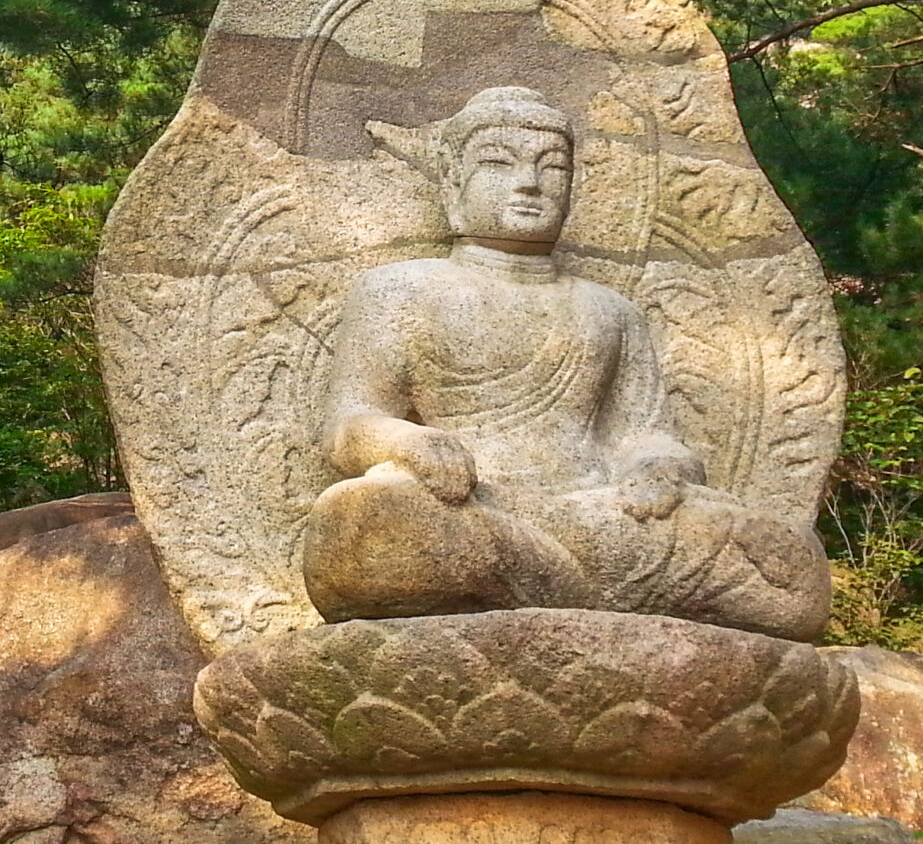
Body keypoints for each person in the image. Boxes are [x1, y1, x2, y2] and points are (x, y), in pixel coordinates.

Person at [299, 86, 829, 640]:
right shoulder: (401, 289)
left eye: (552, 168)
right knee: (366, 519)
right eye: (499, 165)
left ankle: (540, 584)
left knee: (792, 571)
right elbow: (348, 427)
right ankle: (587, 594)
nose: (529, 183)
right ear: (453, 182)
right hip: (474, 506)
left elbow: (643, 434)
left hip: (601, 515)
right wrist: (406, 443)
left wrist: (659, 469)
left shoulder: (609, 310)